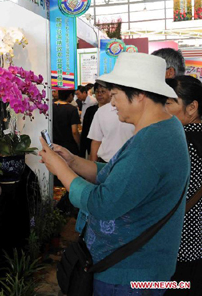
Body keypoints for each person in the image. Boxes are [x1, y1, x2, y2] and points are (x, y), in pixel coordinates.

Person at [40, 52, 190, 295]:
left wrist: (60, 170)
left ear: (140, 95)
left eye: (116, 95)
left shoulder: (150, 144)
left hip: (129, 274)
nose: (111, 102)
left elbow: (102, 203)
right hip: (139, 266)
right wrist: (73, 161)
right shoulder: (163, 128)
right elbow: (118, 175)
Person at [165, 76, 202, 295]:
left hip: (180, 246)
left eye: (169, 103)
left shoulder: (183, 142)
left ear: (192, 107)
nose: (162, 109)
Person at [87, 90, 135, 163]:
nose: (100, 94)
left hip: (130, 162)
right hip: (106, 161)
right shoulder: (101, 111)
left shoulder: (138, 111)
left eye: (103, 92)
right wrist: (93, 165)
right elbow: (96, 141)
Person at [79, 82, 111, 158]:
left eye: (103, 91)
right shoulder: (90, 110)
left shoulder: (116, 111)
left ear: (110, 93)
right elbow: (85, 132)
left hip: (108, 152)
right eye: (97, 92)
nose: (99, 94)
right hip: (92, 150)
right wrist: (82, 153)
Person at [53, 90, 80, 155]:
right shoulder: (72, 109)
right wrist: (79, 143)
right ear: (70, 95)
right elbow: (74, 132)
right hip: (69, 146)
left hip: (54, 144)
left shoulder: (51, 107)